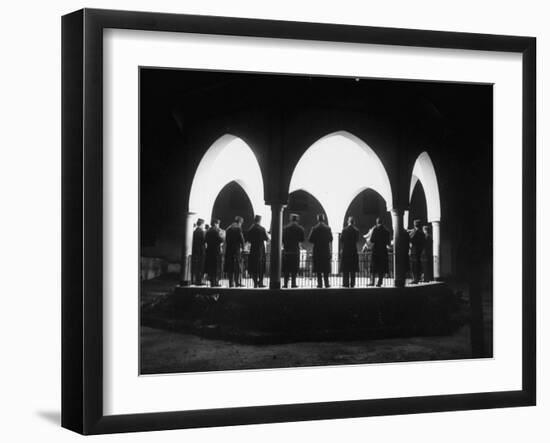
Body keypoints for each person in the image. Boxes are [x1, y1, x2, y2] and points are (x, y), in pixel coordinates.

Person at [308, 214, 333, 288]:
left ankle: (319, 284)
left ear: (317, 219)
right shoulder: (328, 228)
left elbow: (310, 239)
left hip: (317, 251)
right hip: (325, 250)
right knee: (325, 268)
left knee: (318, 269)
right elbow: (331, 239)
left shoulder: (314, 228)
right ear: (324, 219)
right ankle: (326, 283)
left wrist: (317, 241)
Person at [246, 215, 270, 288]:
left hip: (253, 250)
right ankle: (260, 283)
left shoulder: (251, 229)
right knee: (261, 267)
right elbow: (267, 239)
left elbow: (248, 240)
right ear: (260, 220)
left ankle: (255, 283)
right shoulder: (262, 229)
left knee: (254, 267)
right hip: (261, 250)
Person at [282, 213, 305, 288]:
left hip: (287, 250)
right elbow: (302, 239)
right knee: (294, 268)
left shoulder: (285, 228)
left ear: (290, 219)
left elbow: (282, 239)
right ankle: (293, 283)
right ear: (297, 219)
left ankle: (285, 284)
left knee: (286, 268)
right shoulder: (300, 228)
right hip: (295, 250)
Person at [368, 217, 391, 287]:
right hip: (383, 251)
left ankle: (372, 282)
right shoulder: (386, 231)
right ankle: (379, 282)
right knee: (381, 267)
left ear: (376, 222)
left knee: (373, 267)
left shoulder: (375, 229)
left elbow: (371, 240)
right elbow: (388, 243)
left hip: (376, 250)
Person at [224, 216, 245, 287]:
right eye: (241, 223)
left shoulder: (228, 228)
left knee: (230, 267)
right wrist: (243, 247)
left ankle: (231, 283)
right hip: (236, 250)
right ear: (240, 222)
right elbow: (241, 239)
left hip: (229, 250)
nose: (241, 224)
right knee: (237, 267)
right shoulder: (238, 229)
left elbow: (226, 240)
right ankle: (237, 282)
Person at [340, 216, 360, 288]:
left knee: (346, 268)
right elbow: (357, 240)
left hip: (346, 251)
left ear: (348, 221)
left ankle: (345, 283)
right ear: (353, 222)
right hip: (353, 251)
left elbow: (341, 239)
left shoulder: (344, 230)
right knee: (352, 269)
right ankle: (352, 283)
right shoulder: (356, 230)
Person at [204, 219, 224, 287]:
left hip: (209, 251)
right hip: (215, 252)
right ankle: (215, 282)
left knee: (211, 267)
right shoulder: (215, 231)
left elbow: (205, 240)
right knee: (216, 267)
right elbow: (221, 240)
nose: (218, 225)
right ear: (215, 224)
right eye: (218, 224)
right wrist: (222, 235)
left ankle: (212, 282)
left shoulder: (208, 231)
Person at [409, 219, 426, 284]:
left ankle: (415, 279)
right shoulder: (422, 233)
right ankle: (418, 278)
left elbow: (410, 238)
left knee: (414, 265)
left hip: (414, 250)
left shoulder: (415, 232)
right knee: (418, 265)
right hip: (419, 250)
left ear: (414, 224)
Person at [191, 218, 206, 285]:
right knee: (200, 266)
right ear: (202, 224)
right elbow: (204, 241)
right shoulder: (201, 232)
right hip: (200, 251)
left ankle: (195, 280)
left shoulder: (194, 232)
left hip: (195, 251)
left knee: (196, 266)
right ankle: (199, 281)